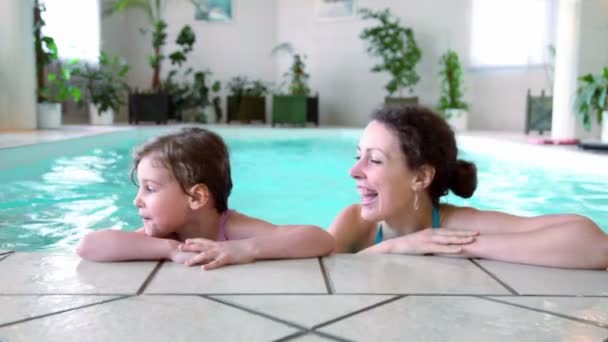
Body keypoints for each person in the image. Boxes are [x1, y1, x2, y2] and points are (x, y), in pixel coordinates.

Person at [329, 105, 608, 269]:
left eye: (374, 160)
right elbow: (316, 277)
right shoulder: (353, 224)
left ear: (421, 177)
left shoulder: (455, 224)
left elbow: (593, 243)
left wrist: (463, 246)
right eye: (358, 156)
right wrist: (396, 247)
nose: (354, 171)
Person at [77, 127, 334, 270]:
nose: (137, 201)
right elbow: (88, 246)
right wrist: (169, 250)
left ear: (196, 197)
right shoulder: (162, 237)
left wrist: (243, 249)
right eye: (140, 188)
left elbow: (320, 239)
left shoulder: (230, 229)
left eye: (150, 189)